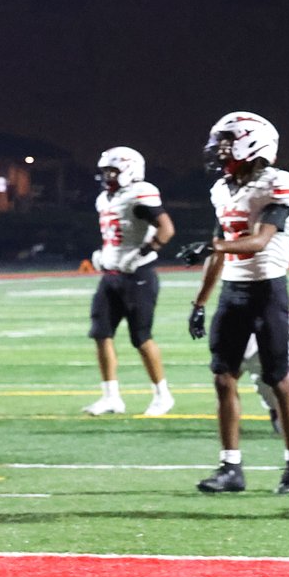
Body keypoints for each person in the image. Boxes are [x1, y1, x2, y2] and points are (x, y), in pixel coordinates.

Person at [179, 111, 289, 495]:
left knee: (279, 380)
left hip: (268, 290)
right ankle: (230, 467)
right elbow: (219, 253)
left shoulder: (279, 183)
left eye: (227, 143)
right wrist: (200, 302)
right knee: (223, 378)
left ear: (251, 144)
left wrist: (213, 245)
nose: (219, 150)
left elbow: (260, 240)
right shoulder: (222, 189)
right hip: (232, 292)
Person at [83, 147, 176, 417]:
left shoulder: (140, 192)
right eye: (105, 171)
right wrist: (104, 254)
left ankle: (163, 395)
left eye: (113, 171)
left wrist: (142, 253)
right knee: (101, 333)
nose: (108, 176)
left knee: (141, 338)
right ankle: (111, 397)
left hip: (138, 276)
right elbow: (115, 235)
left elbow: (167, 229)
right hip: (111, 276)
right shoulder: (104, 199)